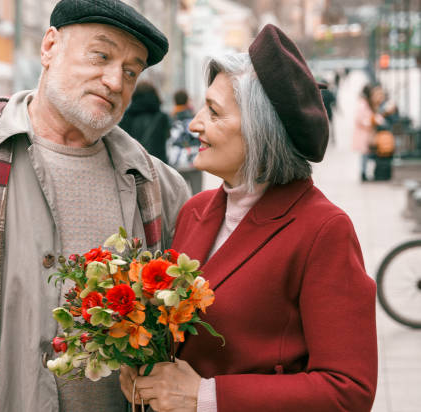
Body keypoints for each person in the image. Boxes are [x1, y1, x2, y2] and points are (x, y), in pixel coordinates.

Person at [0, 1, 190, 411]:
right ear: (49, 46)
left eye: (131, 71)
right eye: (101, 55)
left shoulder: (159, 187)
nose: (115, 80)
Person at [120, 24, 377, 411]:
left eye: (214, 112)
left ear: (260, 131)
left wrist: (207, 397)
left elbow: (348, 391)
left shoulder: (323, 230)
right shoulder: (196, 210)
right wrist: (147, 372)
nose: (194, 124)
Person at [119, 81, 170, 163]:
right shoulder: (162, 117)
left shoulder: (126, 118)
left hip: (133, 166)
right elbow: (167, 138)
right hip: (158, 166)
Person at [169, 89, 203, 194]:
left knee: (180, 199)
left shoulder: (170, 119)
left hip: (177, 164)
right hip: (194, 162)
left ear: (175, 102)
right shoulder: (194, 118)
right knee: (198, 197)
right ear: (187, 101)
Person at [352, 83, 385, 181]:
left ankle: (365, 172)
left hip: (367, 133)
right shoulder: (363, 104)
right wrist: (370, 122)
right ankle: (363, 173)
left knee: (366, 154)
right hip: (363, 133)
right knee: (364, 154)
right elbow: (359, 119)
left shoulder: (367, 103)